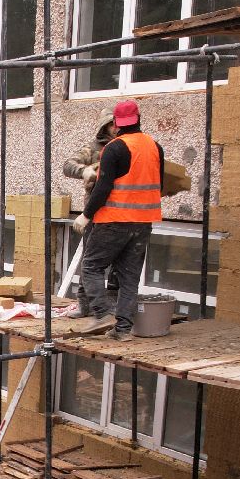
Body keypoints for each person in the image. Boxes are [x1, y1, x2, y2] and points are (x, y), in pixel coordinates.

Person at [77, 99, 164, 340]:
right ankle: (123, 330)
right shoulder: (155, 147)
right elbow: (161, 184)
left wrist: (86, 215)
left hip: (114, 220)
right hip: (144, 221)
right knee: (129, 276)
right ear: (138, 120)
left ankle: (102, 314)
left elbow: (103, 187)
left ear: (116, 123)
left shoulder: (114, 148)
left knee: (91, 266)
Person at [64, 118, 121, 311]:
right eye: (112, 124)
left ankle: (112, 302)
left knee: (118, 258)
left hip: (119, 210)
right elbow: (68, 165)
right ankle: (84, 303)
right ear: (105, 126)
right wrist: (84, 171)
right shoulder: (93, 148)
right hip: (95, 209)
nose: (116, 128)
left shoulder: (127, 146)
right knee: (89, 257)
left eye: (119, 124)